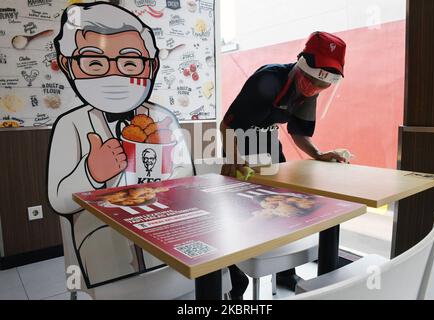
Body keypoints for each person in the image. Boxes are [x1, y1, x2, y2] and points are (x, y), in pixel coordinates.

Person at [48, 3, 193, 288]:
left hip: (161, 216)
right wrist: (91, 173)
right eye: (94, 63)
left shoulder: (162, 119)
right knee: (116, 268)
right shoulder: (72, 125)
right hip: (98, 224)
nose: (114, 75)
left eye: (130, 63)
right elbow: (58, 200)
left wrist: (164, 178)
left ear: (150, 66)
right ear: (68, 64)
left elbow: (185, 173)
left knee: (189, 257)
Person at [220, 31, 349, 299]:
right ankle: (236, 278)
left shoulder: (309, 91)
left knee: (283, 208)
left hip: (268, 144)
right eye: (310, 79)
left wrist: (318, 154)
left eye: (321, 85)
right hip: (240, 144)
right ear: (301, 62)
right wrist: (234, 159)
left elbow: (299, 132)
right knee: (238, 216)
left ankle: (286, 274)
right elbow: (227, 124)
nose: (313, 87)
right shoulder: (268, 79)